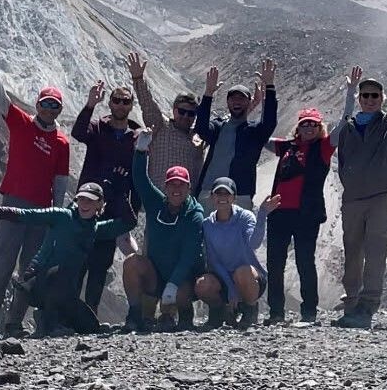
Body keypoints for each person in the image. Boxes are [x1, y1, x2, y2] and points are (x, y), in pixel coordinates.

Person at [0, 35, 71, 341]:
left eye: (55, 106)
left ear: (59, 110)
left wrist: (56, 214)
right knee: (2, 264)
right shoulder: (21, 123)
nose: (49, 109)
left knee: (29, 272)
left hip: (40, 213)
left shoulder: (62, 143)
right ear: (38, 105)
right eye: (45, 104)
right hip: (12, 204)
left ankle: (14, 323)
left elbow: (60, 183)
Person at [0, 182, 132, 336]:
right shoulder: (60, 216)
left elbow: (129, 223)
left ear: (99, 204)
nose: (84, 204)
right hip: (36, 283)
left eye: (90, 200)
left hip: (65, 291)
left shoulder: (95, 229)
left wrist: (120, 195)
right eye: (82, 199)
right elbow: (25, 214)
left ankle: (50, 317)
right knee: (61, 272)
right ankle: (48, 323)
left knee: (90, 326)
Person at [332, 22, 387, 329]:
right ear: (359, 99)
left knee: (376, 251)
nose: (369, 99)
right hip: (353, 200)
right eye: (365, 95)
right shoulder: (348, 129)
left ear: (382, 99)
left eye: (374, 95)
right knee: (352, 250)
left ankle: (368, 305)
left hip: (380, 198)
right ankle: (351, 302)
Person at [262, 72, 358, 324]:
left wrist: (351, 93)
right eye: (304, 124)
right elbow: (261, 137)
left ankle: (309, 312)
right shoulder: (286, 146)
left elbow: (344, 122)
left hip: (306, 214)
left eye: (312, 124)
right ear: (298, 127)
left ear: (319, 127)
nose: (308, 128)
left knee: (305, 262)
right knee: (275, 264)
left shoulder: (324, 147)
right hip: (279, 213)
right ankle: (276, 312)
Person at [121, 129, 205, 333]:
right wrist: (141, 151)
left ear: (189, 187)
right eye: (172, 185)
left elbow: (189, 255)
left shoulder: (195, 215)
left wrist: (174, 284)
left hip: (182, 277)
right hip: (155, 274)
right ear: (165, 187)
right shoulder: (154, 202)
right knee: (132, 262)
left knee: (183, 293)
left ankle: (181, 315)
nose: (176, 189)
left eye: (182, 185)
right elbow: (140, 179)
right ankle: (135, 314)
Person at [71, 79, 142, 314]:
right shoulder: (97, 128)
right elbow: (78, 132)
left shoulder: (136, 137)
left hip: (113, 210)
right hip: (86, 205)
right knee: (76, 261)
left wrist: (131, 211)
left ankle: (89, 314)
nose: (121, 105)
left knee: (100, 264)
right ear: (109, 103)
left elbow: (137, 176)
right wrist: (90, 104)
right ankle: (65, 312)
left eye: (125, 101)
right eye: (116, 100)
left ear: (131, 105)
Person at [195, 178, 280, 330]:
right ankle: (219, 311)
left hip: (249, 279)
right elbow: (213, 261)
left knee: (242, 271)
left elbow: (254, 244)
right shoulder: (208, 225)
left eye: (227, 194)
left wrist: (262, 215)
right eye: (218, 193)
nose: (222, 198)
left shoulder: (245, 217)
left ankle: (249, 309)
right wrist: (230, 288)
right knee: (202, 284)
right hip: (224, 280)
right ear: (212, 197)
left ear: (234, 198)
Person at [194, 59, 278, 210]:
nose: (237, 101)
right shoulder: (218, 127)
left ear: (249, 102)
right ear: (227, 103)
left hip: (240, 197)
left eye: (241, 98)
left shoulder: (255, 132)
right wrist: (208, 94)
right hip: (209, 194)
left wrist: (270, 87)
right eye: (233, 98)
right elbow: (201, 128)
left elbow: (270, 122)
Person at [128, 52, 206, 191]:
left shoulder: (198, 140)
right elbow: (148, 105)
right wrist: (138, 78)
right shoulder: (161, 126)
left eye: (191, 113)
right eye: (182, 111)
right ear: (174, 110)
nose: (185, 116)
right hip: (158, 198)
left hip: (186, 204)